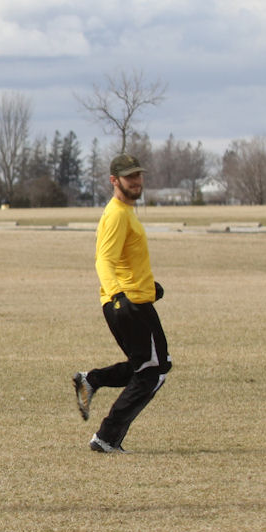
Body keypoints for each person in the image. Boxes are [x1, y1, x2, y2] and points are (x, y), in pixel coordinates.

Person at [71, 152, 171, 454]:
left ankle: (92, 380)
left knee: (150, 367)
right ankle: (106, 437)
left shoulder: (126, 212)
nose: (136, 181)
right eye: (130, 177)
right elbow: (104, 260)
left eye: (138, 175)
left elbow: (128, 260)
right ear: (114, 181)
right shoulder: (116, 214)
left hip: (137, 300)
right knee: (153, 372)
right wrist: (117, 297)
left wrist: (150, 287)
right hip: (128, 304)